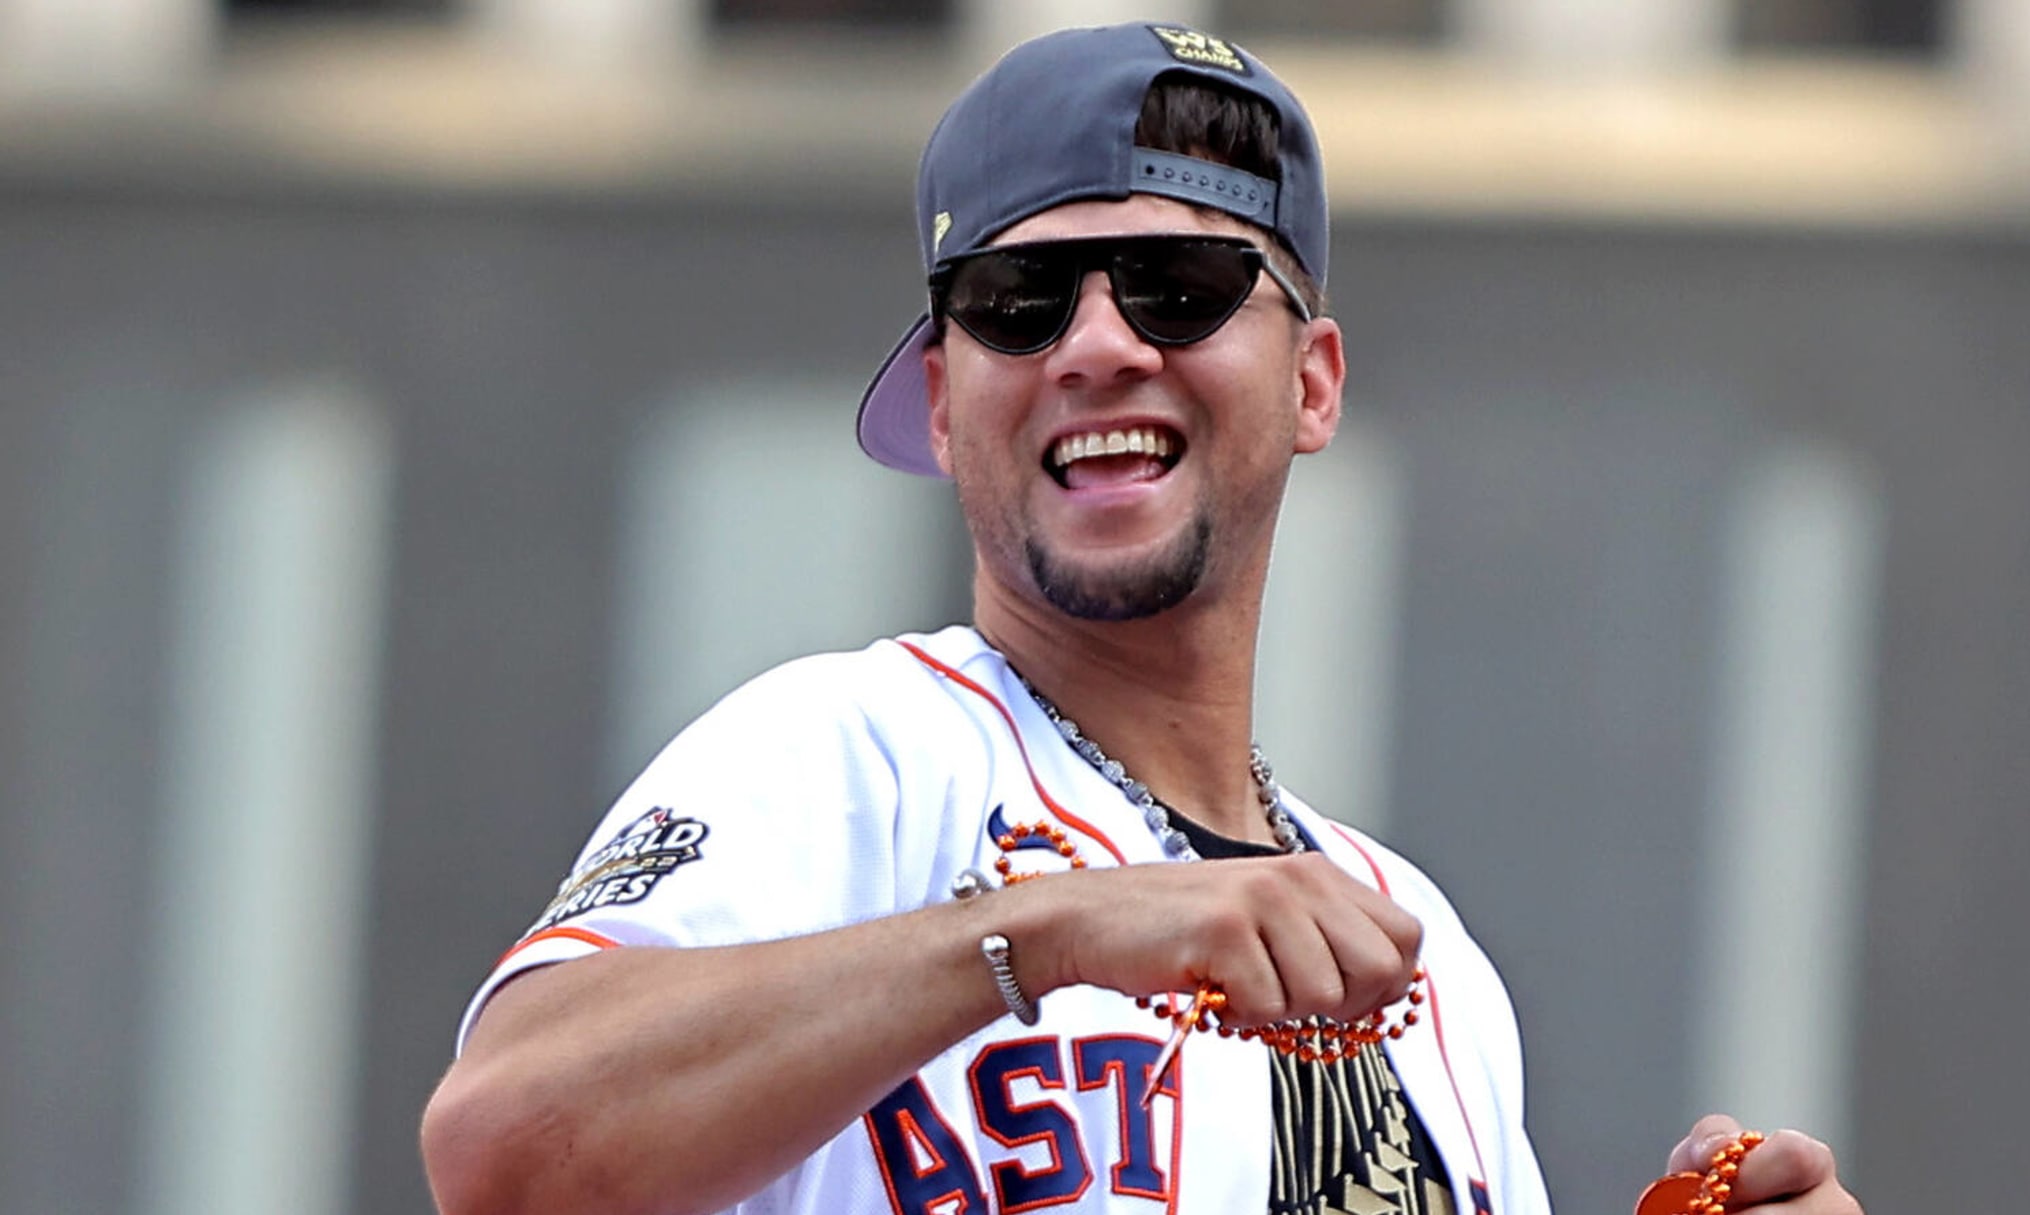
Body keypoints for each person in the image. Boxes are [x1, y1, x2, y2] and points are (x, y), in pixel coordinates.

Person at [421, 22, 1864, 1215]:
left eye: (1183, 287)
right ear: (942, 396)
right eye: (1019, 298)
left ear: (1311, 381)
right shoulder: (856, 756)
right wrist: (1042, 935)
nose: (1100, 345)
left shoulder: (1429, 963)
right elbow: (500, 1150)